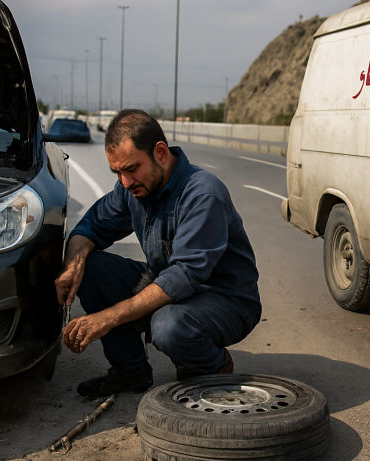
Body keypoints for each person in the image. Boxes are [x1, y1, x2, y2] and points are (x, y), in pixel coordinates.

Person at [55, 109, 261, 398]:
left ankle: (213, 371)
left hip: (226, 300)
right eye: (117, 172)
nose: (125, 182)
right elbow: (91, 226)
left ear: (161, 153)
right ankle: (130, 372)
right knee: (91, 267)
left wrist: (107, 317)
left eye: (131, 168)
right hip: (173, 287)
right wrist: (73, 262)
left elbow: (183, 277)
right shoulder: (133, 188)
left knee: (168, 325)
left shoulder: (201, 193)